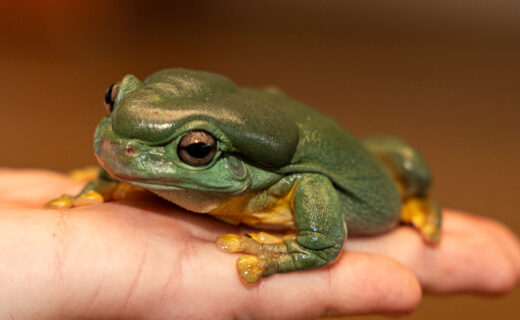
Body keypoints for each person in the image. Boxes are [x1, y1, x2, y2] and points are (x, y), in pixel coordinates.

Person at [0, 168, 518, 319]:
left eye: (195, 148)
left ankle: (417, 196)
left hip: (357, 183)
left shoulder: (290, 180)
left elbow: (311, 191)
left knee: (406, 164)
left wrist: (297, 248)